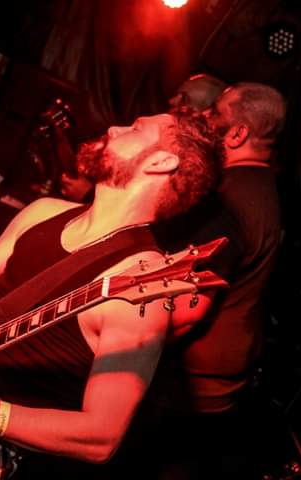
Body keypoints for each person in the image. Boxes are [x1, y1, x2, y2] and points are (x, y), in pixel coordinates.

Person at [0, 110, 229, 478]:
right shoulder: (44, 212)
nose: (115, 127)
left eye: (136, 128)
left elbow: (101, 436)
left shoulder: (141, 286)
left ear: (162, 162)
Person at [123, 81, 287, 479]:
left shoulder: (230, 199)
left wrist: (121, 348)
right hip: (219, 377)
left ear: (238, 133)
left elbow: (188, 306)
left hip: (190, 384)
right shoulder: (263, 188)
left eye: (215, 112)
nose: (205, 117)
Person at [59, 73, 227, 203]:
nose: (172, 100)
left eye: (184, 98)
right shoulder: (155, 131)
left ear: (205, 114)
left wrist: (88, 196)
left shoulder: (191, 171)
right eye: (177, 93)